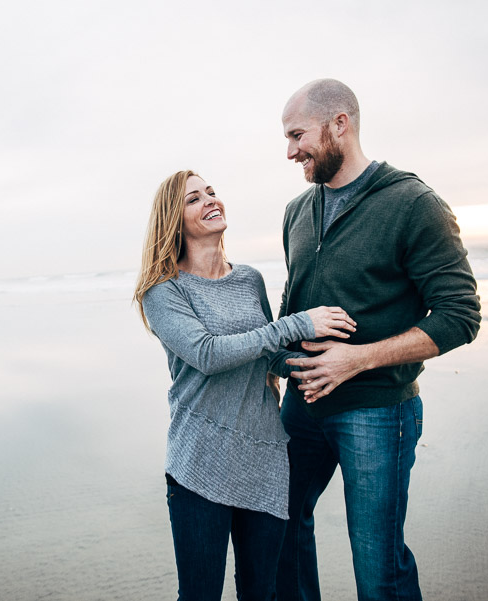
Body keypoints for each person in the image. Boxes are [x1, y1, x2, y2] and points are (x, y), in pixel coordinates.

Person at [274, 79, 481, 601]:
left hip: (378, 412)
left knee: (377, 567)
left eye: (298, 135)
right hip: (302, 409)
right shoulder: (297, 212)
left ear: (339, 124)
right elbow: (291, 304)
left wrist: (356, 360)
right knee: (278, 529)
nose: (291, 150)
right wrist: (272, 362)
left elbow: (460, 315)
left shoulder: (413, 203)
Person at [133, 170, 356, 601]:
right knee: (200, 595)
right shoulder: (163, 292)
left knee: (262, 592)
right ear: (172, 220)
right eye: (194, 199)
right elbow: (208, 354)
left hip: (264, 458)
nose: (210, 201)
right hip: (200, 463)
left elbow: (265, 354)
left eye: (212, 192)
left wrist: (317, 365)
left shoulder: (249, 278)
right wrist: (296, 323)